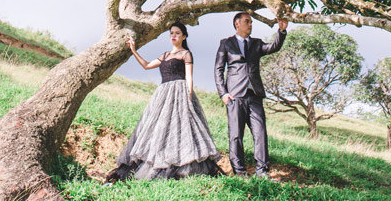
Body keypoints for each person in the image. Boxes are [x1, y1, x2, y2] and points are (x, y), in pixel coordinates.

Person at [106, 22, 222, 181]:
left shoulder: (185, 54)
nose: (174, 36)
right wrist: (133, 50)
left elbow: (189, 77)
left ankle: (181, 165)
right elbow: (147, 66)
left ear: (184, 36)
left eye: (177, 33)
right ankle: (156, 162)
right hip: (163, 94)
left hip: (180, 92)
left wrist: (188, 98)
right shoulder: (165, 55)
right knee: (158, 128)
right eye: (171, 33)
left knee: (181, 129)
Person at [214, 12, 288, 177]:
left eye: (251, 22)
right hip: (234, 96)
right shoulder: (226, 43)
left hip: (254, 95)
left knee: (260, 132)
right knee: (236, 135)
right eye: (247, 21)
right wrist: (223, 93)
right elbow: (218, 70)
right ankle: (239, 171)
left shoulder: (256, 44)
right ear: (237, 24)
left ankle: (262, 170)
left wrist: (281, 31)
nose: (250, 25)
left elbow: (273, 47)